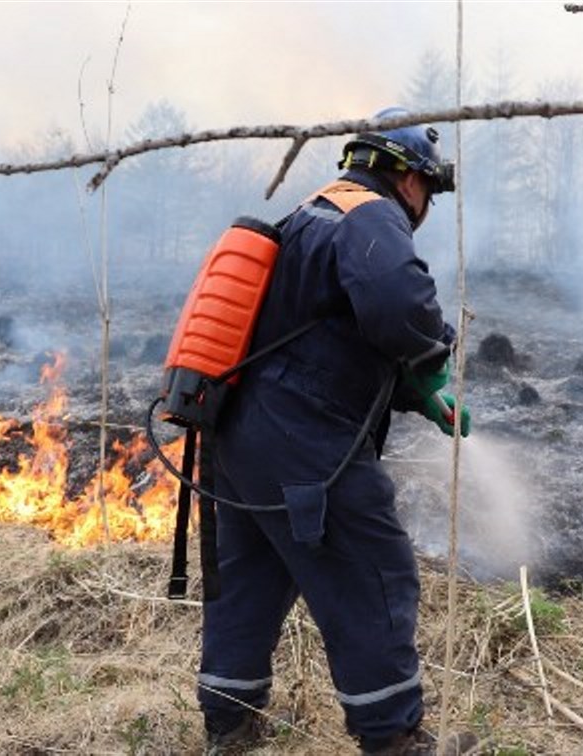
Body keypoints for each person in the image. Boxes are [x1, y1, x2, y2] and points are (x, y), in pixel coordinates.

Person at [198, 107, 471, 755]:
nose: (426, 203)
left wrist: (414, 396)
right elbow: (398, 306)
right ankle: (394, 739)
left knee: (251, 583)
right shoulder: (372, 216)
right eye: (429, 189)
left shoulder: (309, 212)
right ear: (408, 178)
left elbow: (327, 331)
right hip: (307, 445)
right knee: (374, 574)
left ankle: (228, 727)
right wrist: (434, 368)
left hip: (238, 439)